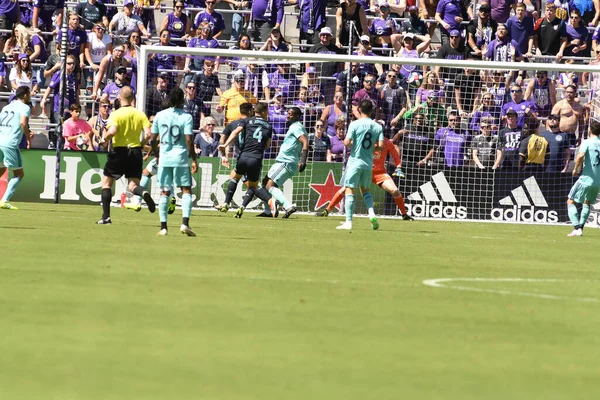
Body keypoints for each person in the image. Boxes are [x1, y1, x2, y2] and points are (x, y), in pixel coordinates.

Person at [97, 87, 155, 225]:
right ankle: (144, 193)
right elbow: (148, 134)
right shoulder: (140, 114)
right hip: (135, 152)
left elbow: (113, 130)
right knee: (133, 186)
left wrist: (105, 138)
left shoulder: (116, 114)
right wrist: (141, 144)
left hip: (119, 151)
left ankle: (106, 217)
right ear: (132, 99)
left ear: (119, 98)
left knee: (106, 184)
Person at [318, 135, 413, 220]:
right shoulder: (365, 141)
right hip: (364, 170)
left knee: (395, 191)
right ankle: (327, 211)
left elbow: (396, 156)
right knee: (345, 189)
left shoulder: (386, 142)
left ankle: (404, 215)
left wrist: (399, 167)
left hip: (379, 173)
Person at [244, 107, 309, 219]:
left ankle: (288, 206)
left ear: (297, 116)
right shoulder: (295, 127)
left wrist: (303, 159)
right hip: (284, 161)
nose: (288, 116)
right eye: (288, 113)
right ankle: (268, 211)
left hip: (286, 161)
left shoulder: (296, 127)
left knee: (270, 185)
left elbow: (305, 141)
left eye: (291, 114)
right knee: (265, 183)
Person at [150, 87, 197, 236]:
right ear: (182, 100)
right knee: (186, 190)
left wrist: (157, 154)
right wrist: (194, 158)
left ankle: (163, 227)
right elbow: (189, 139)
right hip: (181, 158)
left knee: (165, 192)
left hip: (164, 158)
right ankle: (185, 224)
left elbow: (152, 139)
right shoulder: (186, 117)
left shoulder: (159, 115)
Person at [334, 99, 384, 231]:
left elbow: (346, 142)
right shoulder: (378, 127)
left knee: (350, 189)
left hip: (355, 161)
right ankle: (371, 213)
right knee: (365, 190)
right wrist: (371, 150)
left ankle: (348, 221)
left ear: (360, 110)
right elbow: (381, 147)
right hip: (368, 163)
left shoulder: (354, 124)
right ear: (371, 111)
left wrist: (353, 143)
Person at [217, 102, 273, 214]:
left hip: (242, 157)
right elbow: (267, 146)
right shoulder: (267, 126)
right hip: (255, 158)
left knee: (234, 177)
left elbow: (228, 135)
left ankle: (226, 203)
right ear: (250, 111)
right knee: (252, 186)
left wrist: (224, 150)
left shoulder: (241, 123)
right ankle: (244, 206)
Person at [565, 119, 600, 236]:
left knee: (570, 201)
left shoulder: (587, 142)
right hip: (597, 181)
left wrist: (575, 168)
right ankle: (581, 228)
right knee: (587, 202)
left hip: (586, 178)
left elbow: (580, 156)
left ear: (590, 130)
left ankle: (576, 227)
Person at [0, 86, 31, 210]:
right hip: (10, 143)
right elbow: (23, 122)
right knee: (19, 173)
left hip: (0, 139)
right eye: (28, 94)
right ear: (24, 95)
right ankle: (4, 200)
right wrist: (28, 138)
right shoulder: (25, 107)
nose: (29, 96)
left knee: (1, 170)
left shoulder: (6, 107)